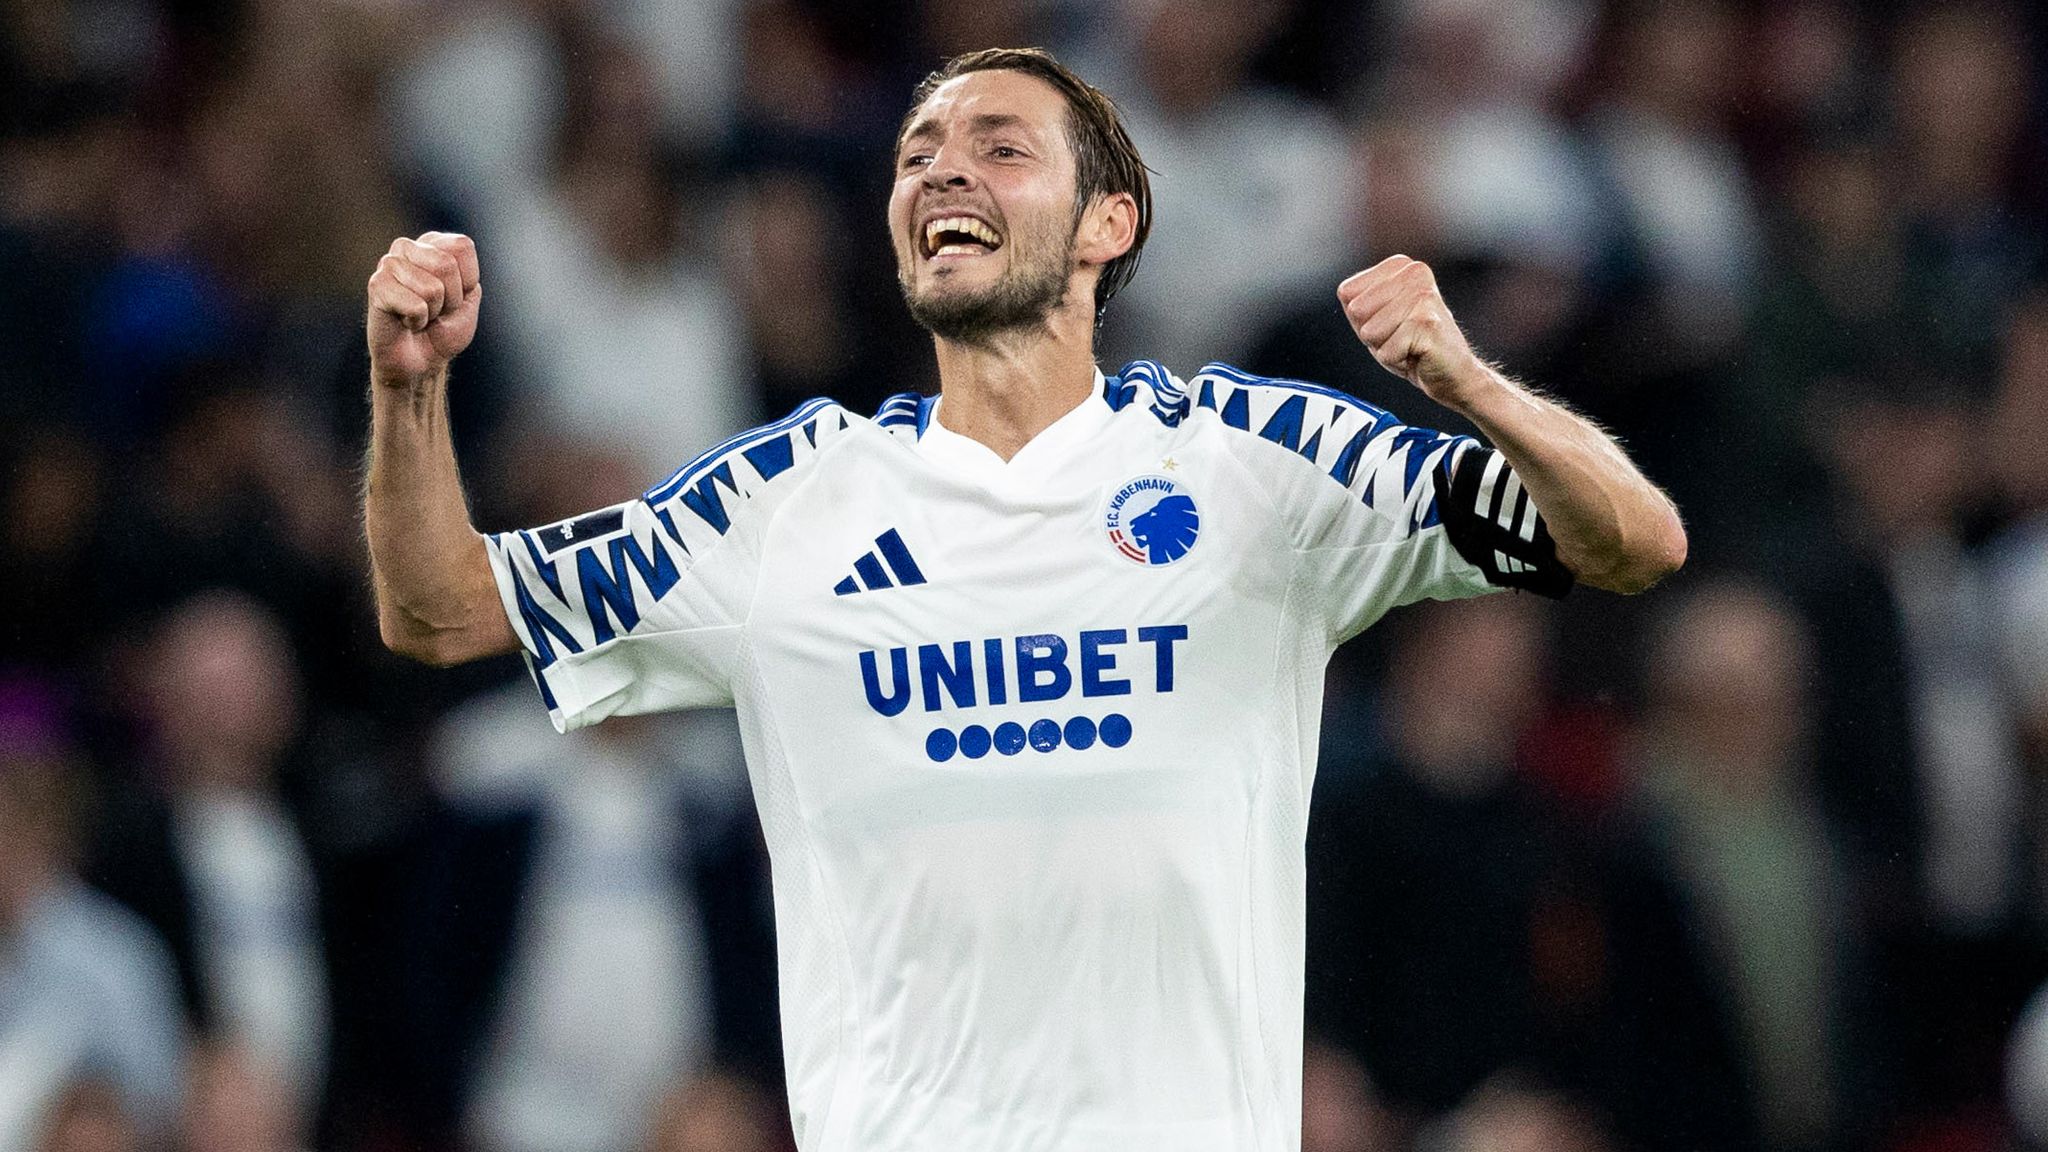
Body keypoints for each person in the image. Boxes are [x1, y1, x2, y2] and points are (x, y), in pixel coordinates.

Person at [362, 46, 1685, 1152]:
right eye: (917, 153)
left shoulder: (1254, 464)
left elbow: (1628, 541)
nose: (940, 169)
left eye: (999, 147)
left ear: (1110, 222)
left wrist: (1469, 384)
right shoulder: (785, 501)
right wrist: (411, 395)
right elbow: (442, 613)